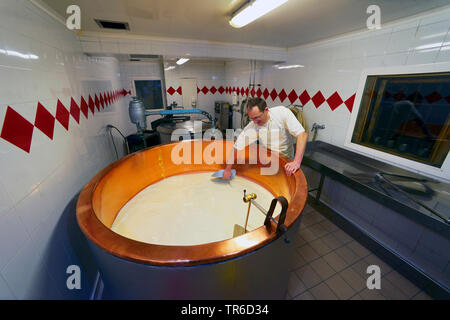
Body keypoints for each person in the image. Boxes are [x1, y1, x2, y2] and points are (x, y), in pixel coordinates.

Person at [223, 97, 308, 179]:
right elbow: (236, 147)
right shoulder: (253, 126)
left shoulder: (282, 113)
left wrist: (296, 162)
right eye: (252, 119)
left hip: (286, 159)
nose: (255, 121)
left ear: (266, 110)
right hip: (268, 159)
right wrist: (227, 169)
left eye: (257, 117)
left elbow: (302, 134)